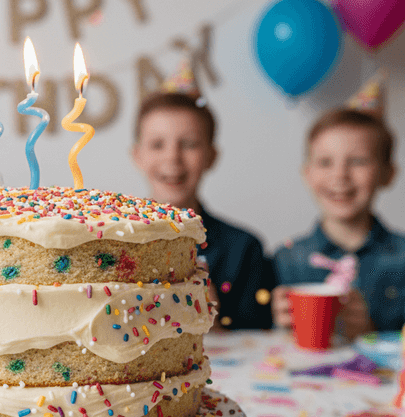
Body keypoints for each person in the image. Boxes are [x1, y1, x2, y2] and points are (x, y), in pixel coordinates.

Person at [132, 69, 274, 330]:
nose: (172, 157)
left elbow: (258, 343)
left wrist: (211, 321)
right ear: (137, 155)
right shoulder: (117, 242)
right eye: (157, 144)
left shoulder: (244, 249)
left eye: (189, 144)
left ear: (211, 156)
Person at [272, 104, 403, 339]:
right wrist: (277, 325)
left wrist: (371, 330)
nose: (340, 174)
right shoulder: (285, 259)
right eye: (325, 162)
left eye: (358, 161)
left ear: (388, 173)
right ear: (307, 173)